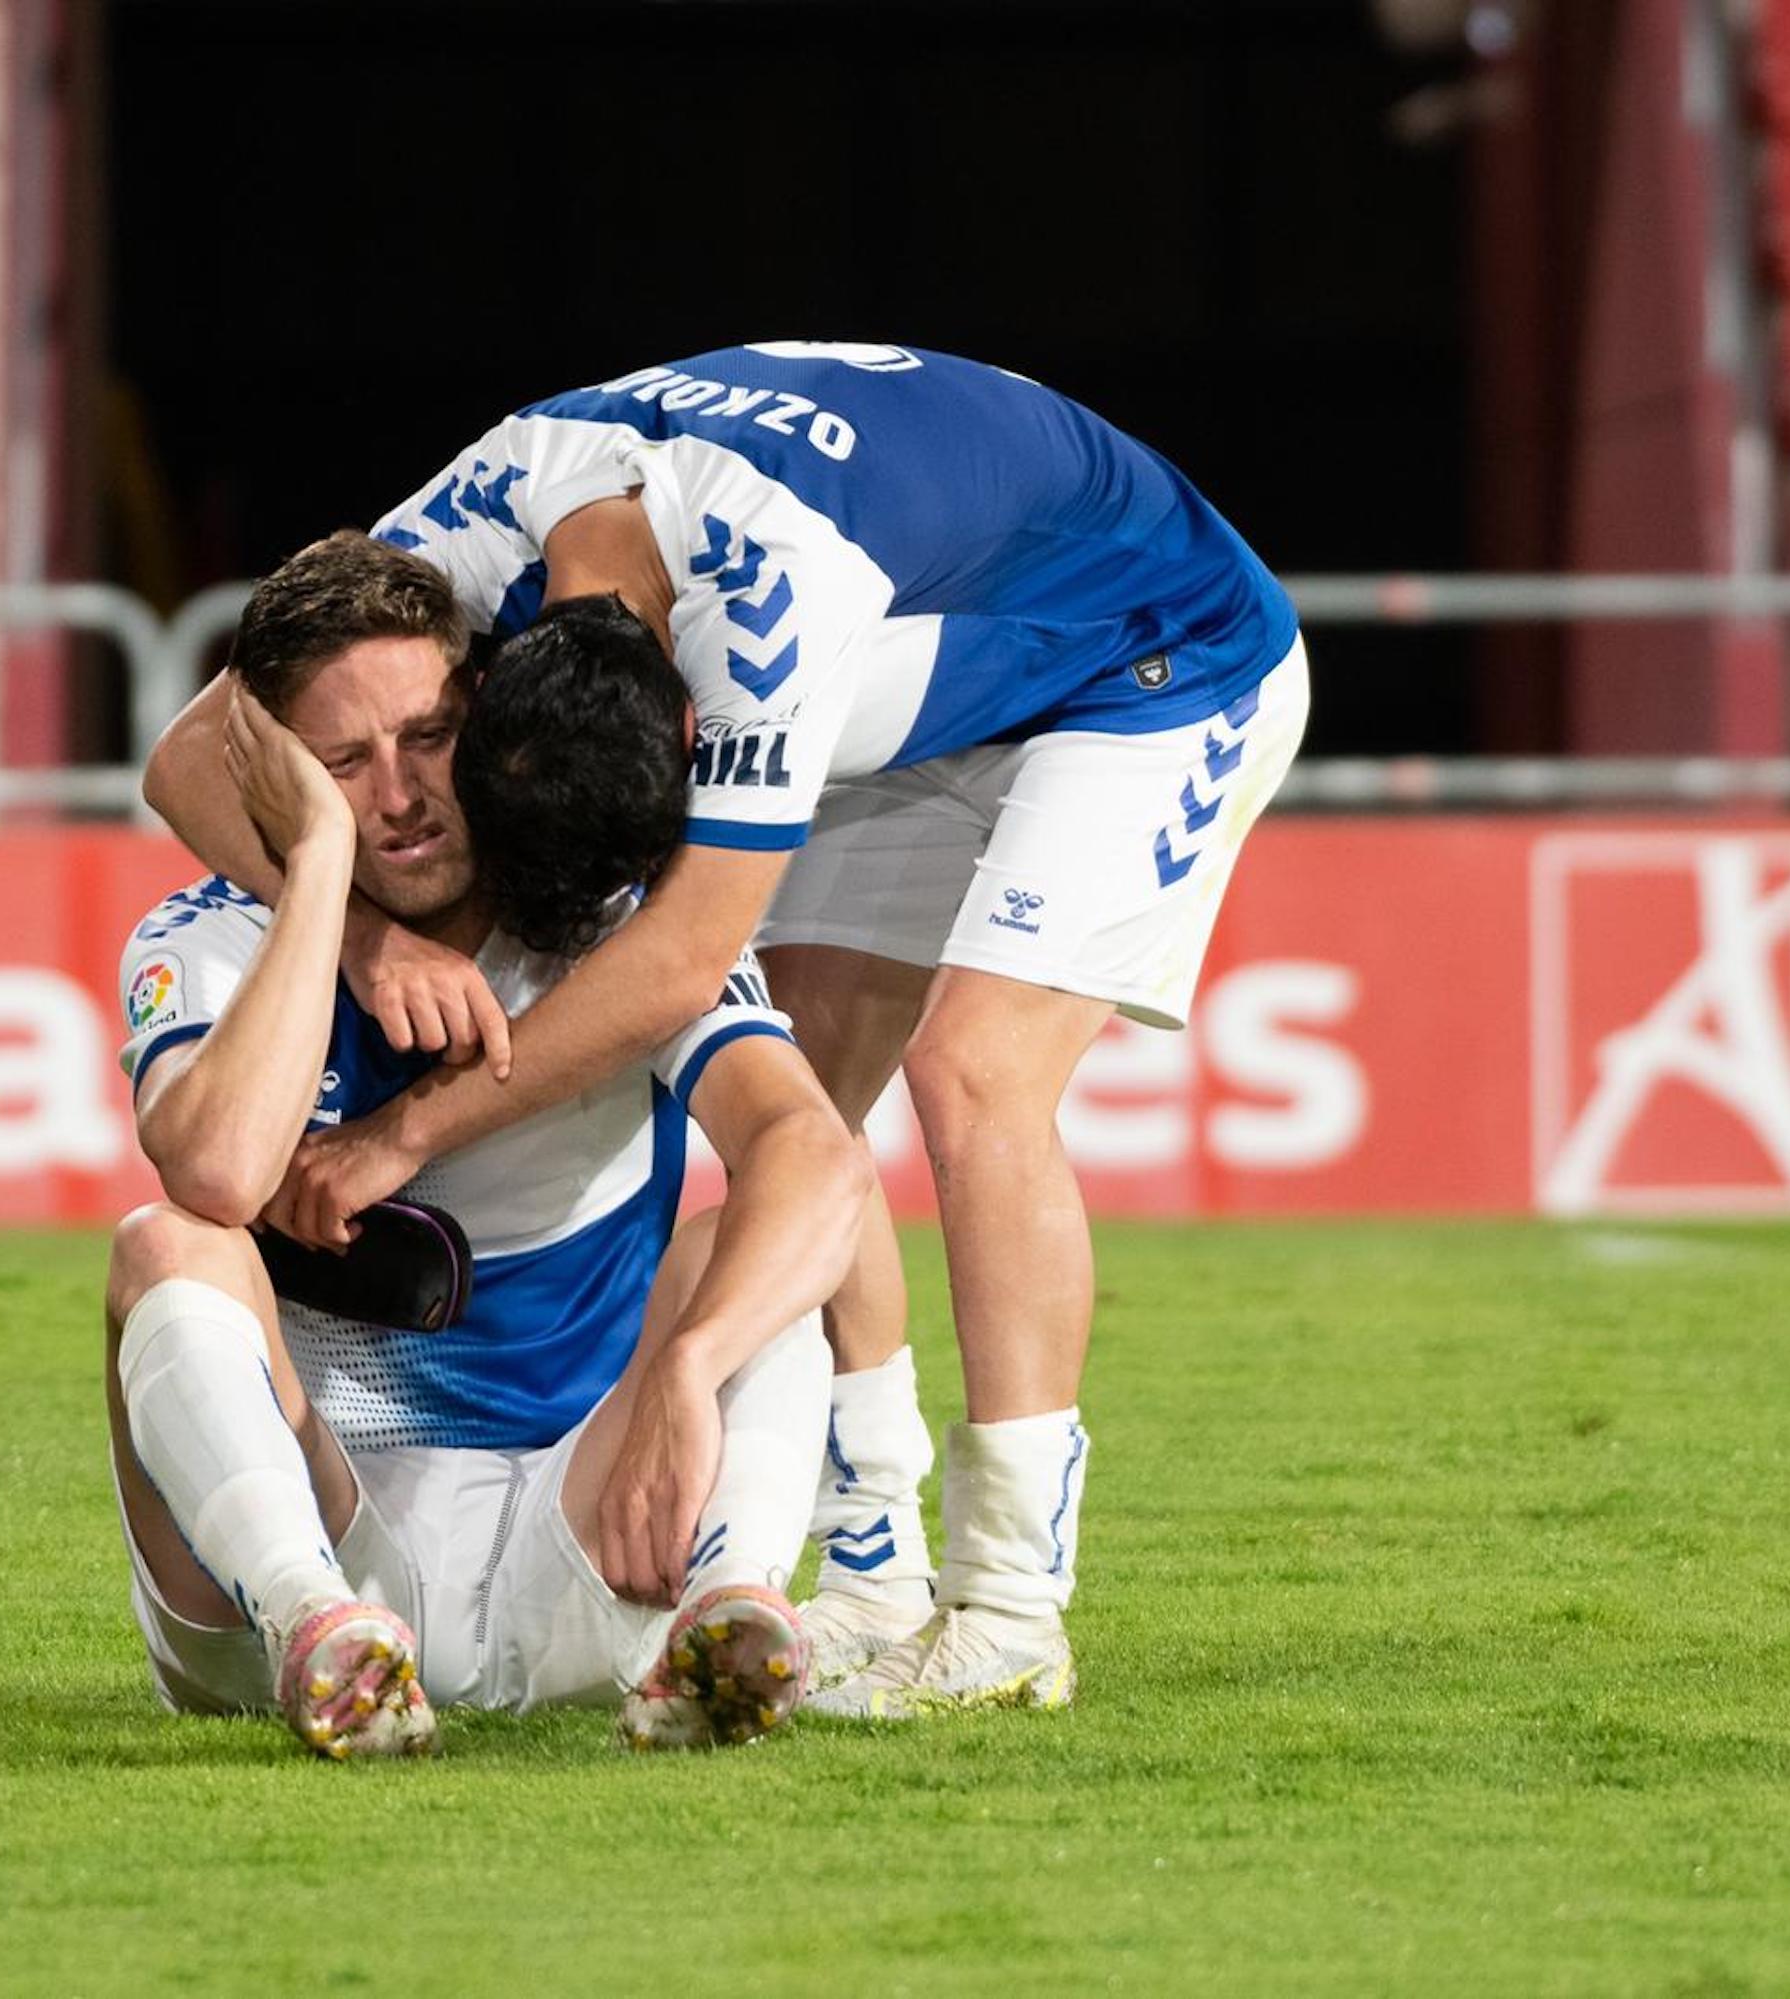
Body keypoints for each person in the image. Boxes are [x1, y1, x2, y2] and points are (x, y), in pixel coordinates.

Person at [144, 344, 1311, 1719]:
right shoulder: (463, 542)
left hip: (1152, 662)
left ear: (700, 726)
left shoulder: (766, 624)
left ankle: (1009, 1608)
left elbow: (679, 963)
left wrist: (408, 1131)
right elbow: (186, 756)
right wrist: (363, 930)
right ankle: (873, 1565)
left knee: (974, 1075)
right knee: (803, 1105)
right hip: (945, 653)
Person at [108, 530, 869, 1758]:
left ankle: (726, 1610)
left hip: (588, 1533)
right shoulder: (206, 934)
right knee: (164, 1244)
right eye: (342, 763)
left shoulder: (612, 925)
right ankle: (322, 1633)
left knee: (756, 1244)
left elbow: (820, 1159)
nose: (400, 796)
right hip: (298, 1544)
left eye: (428, 738)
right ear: (281, 775)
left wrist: (690, 1368)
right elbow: (218, 1177)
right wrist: (324, 888)